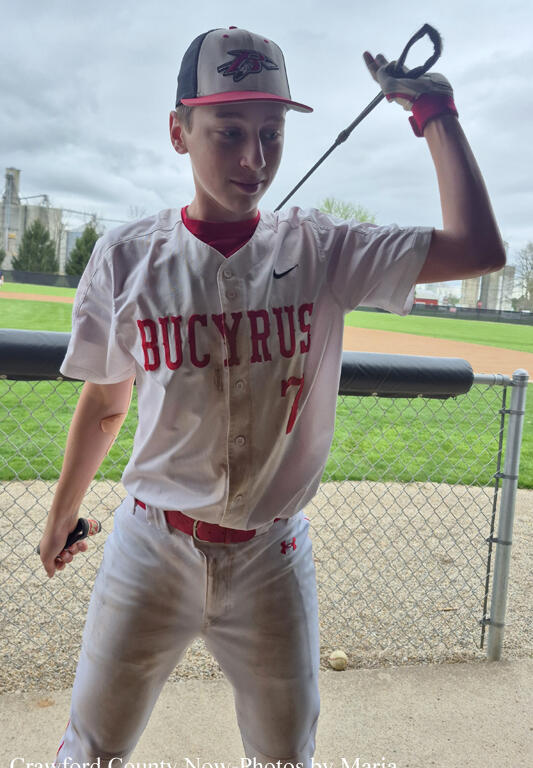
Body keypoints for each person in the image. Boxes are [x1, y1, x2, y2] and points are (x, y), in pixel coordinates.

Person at [39, 26, 505, 767]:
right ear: (177, 131)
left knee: (286, 756)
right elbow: (104, 402)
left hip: (271, 554)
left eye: (271, 132)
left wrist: (433, 113)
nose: (254, 159)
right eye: (227, 131)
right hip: (149, 546)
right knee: (91, 750)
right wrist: (62, 514)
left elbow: (479, 249)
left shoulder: (323, 250)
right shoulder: (125, 257)